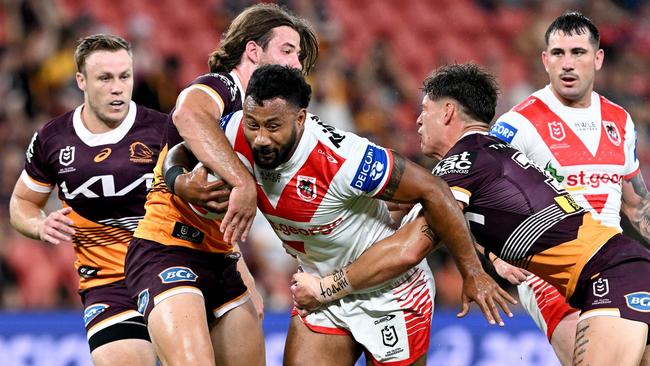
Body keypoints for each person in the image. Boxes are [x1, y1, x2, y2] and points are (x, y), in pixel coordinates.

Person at [292, 63, 650, 366]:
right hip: (626, 271)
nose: (418, 121)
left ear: (447, 111)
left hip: (611, 279)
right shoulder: (491, 154)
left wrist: (325, 287)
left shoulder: (463, 163)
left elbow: (409, 249)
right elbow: (486, 218)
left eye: (425, 110)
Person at [164, 64, 516, 366]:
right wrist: (178, 183)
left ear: (300, 118)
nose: (260, 139)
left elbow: (436, 191)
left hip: (391, 293)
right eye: (254, 124)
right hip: (318, 290)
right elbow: (180, 148)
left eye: (273, 127)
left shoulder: (347, 159)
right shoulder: (236, 129)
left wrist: (472, 271)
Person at [124, 4, 319, 365]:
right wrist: (243, 183)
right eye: (287, 51)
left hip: (221, 257)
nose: (295, 64)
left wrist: (242, 269)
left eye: (299, 57)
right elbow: (187, 114)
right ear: (253, 51)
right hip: (166, 248)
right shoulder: (222, 87)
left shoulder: (274, 120)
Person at [488, 11, 650, 365]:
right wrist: (495, 256)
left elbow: (636, 205)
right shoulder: (518, 124)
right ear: (545, 60)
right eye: (558, 54)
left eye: (577, 52)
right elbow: (479, 195)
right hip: (551, 269)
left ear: (598, 58)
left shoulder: (620, 121)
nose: (567, 63)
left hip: (616, 264)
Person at [8, 34, 162, 366]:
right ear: (81, 80)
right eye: (105, 78)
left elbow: (204, 210)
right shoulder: (53, 139)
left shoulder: (163, 131)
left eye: (125, 76)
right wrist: (39, 224)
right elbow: (21, 202)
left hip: (170, 269)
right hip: (108, 283)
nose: (117, 87)